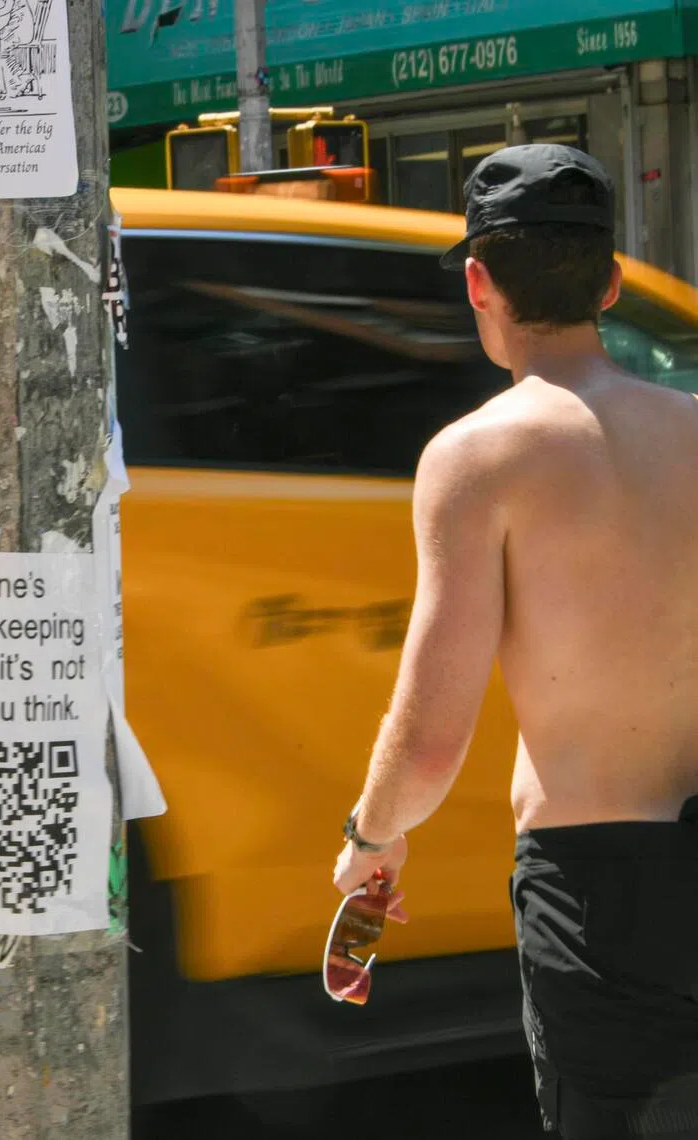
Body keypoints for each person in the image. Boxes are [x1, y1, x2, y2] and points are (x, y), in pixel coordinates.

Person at [331, 143, 698, 1138]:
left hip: (601, 899)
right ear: (613, 282)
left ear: (479, 282)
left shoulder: (478, 458)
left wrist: (373, 837)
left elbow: (435, 731)